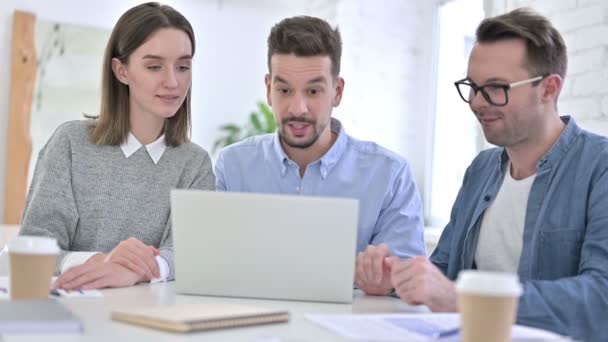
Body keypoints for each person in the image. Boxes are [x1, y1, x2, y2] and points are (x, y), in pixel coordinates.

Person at [387, 8, 608, 342]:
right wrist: (396, 281)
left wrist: (467, 301)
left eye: (495, 88)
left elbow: (600, 299)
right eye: (472, 87)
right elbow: (443, 273)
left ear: (548, 89)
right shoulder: (481, 169)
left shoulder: (599, 167)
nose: (477, 102)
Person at [214, 16, 425, 296]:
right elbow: (213, 265)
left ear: (337, 92)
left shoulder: (390, 174)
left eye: (313, 91)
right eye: (284, 90)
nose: (297, 108)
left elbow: (408, 283)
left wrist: (389, 280)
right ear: (268, 89)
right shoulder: (232, 166)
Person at [19, 2, 215, 290]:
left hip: (154, 322)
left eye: (183, 66)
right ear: (121, 71)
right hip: (73, 314)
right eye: (154, 66)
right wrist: (103, 262)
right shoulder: (70, 144)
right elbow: (33, 247)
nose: (173, 81)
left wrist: (138, 271)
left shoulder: (195, 164)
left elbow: (188, 253)